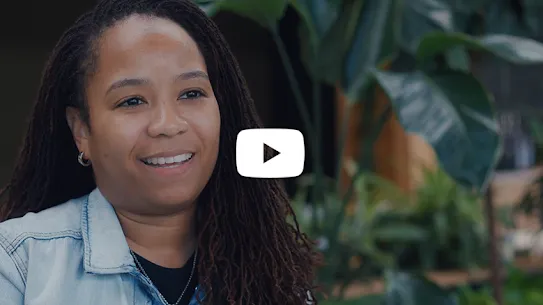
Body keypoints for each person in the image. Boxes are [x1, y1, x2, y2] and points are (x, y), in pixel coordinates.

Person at [0, 0, 320, 304]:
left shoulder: (275, 274)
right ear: (82, 130)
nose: (167, 125)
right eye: (132, 101)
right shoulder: (18, 265)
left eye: (191, 93)